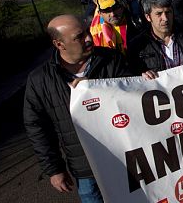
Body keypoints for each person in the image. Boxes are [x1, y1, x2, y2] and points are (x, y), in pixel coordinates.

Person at [24, 14, 134, 203]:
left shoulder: (112, 59)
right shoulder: (40, 80)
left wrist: (94, 89)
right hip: (86, 170)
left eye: (87, 32)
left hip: (125, 161)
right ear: (59, 44)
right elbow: (37, 128)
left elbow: (132, 98)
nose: (89, 38)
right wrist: (54, 169)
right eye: (79, 37)